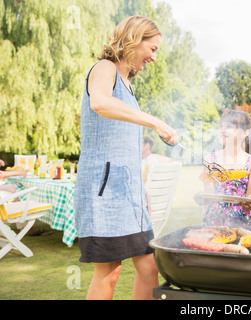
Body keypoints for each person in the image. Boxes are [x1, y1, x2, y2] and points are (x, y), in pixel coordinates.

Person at [74, 15, 177, 300]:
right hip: (103, 192)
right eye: (152, 48)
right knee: (109, 273)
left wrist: (139, 186)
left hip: (128, 194)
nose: (154, 57)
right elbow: (100, 102)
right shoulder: (104, 68)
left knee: (149, 266)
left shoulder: (129, 86)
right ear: (133, 38)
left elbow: (124, 143)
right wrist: (154, 122)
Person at [198, 110, 251, 227]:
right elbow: (209, 192)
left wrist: (250, 201)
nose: (222, 130)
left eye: (229, 126)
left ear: (245, 132)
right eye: (221, 126)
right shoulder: (209, 159)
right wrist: (202, 198)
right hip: (215, 220)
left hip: (243, 221)